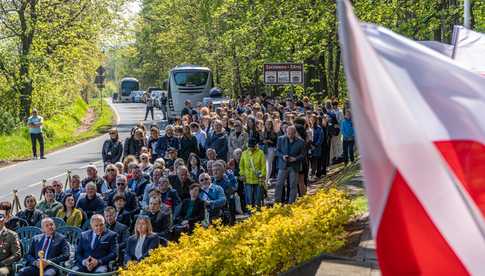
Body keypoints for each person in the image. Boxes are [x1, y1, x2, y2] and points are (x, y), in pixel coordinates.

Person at [275, 125, 305, 204]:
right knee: (279, 184)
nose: (290, 135)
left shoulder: (301, 142)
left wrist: (295, 159)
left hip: (294, 166)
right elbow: (277, 151)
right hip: (283, 165)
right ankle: (277, 202)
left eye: (292, 134)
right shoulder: (281, 139)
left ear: (295, 133)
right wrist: (282, 156)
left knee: (293, 185)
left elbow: (303, 154)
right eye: (288, 133)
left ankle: (291, 203)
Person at [239, 138, 266, 207]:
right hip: (247, 179)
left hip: (258, 179)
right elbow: (241, 165)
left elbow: (263, 165)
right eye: (250, 146)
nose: (251, 148)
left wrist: (263, 175)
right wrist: (242, 174)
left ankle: (258, 212)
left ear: (256, 145)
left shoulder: (260, 153)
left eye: (252, 146)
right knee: (249, 199)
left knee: (257, 199)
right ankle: (250, 213)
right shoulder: (244, 153)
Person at [0, 211, 21, 276]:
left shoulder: (12, 235)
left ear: (4, 221)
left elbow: (17, 254)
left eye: (0, 221)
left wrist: (2, 263)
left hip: (5, 265)